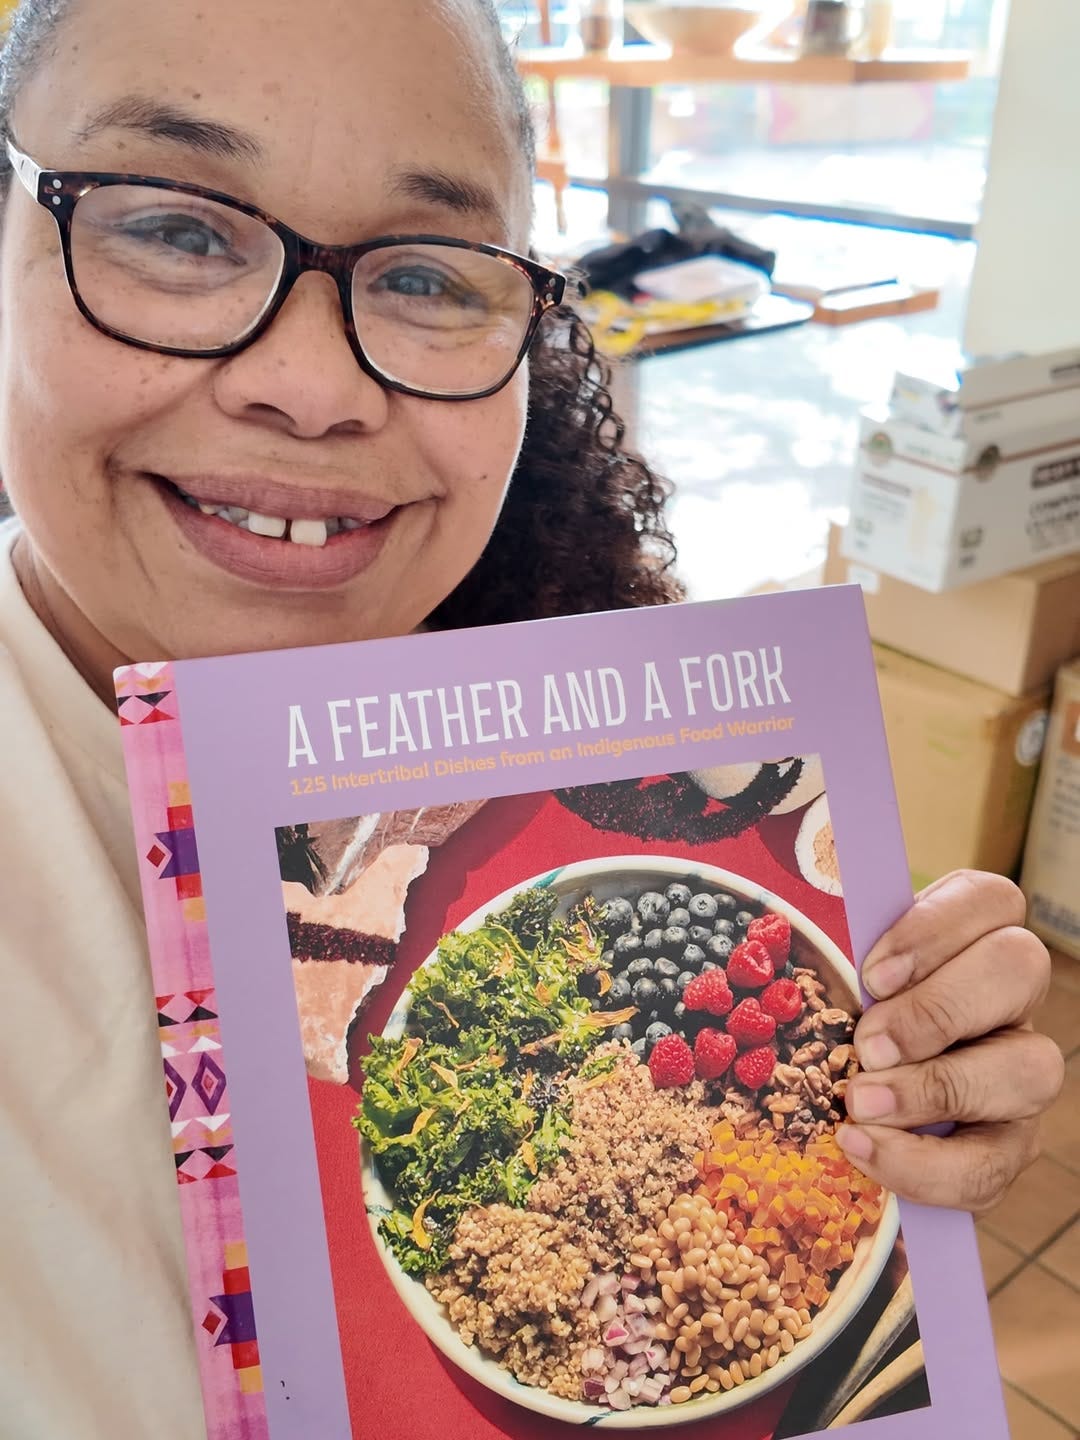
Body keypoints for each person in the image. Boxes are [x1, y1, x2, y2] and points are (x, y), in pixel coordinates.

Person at [0, 0, 1064, 1435]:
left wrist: (907, 1099)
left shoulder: (629, 749)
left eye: (431, 274)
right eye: (180, 231)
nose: (313, 389)